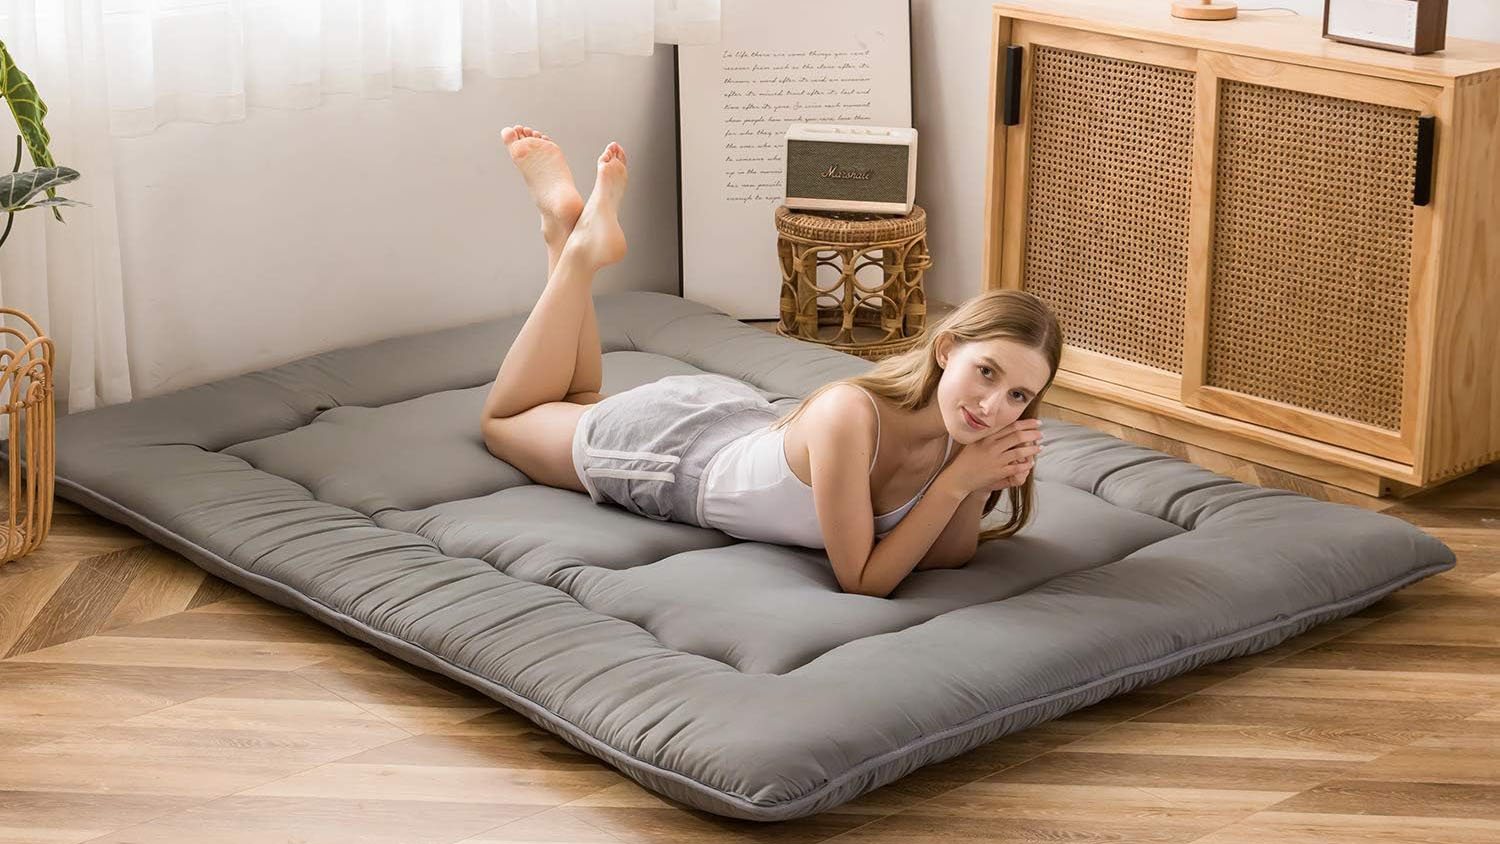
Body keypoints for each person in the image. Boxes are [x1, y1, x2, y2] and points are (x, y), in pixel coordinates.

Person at [481, 126, 1062, 599]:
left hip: (731, 420)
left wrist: (967, 481)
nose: (994, 404)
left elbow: (946, 556)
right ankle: (581, 255)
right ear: (945, 349)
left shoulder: (970, 432)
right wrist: (957, 483)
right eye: (987, 371)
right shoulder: (850, 414)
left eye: (1018, 395)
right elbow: (862, 580)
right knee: (506, 421)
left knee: (579, 400)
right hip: (673, 453)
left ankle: (564, 231)